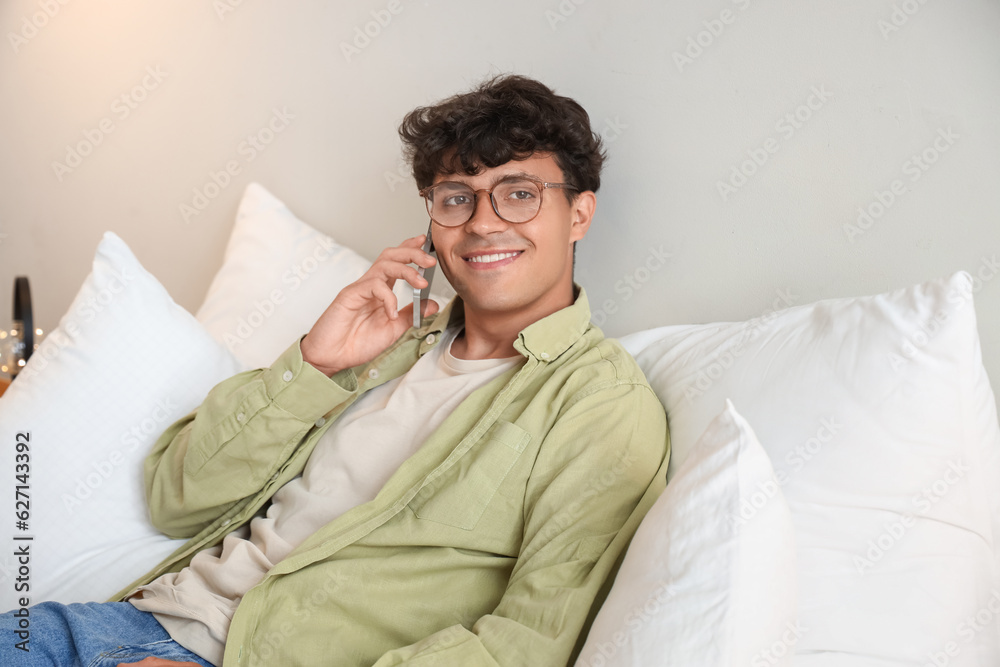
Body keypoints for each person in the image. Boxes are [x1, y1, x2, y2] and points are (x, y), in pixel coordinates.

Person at [1, 74, 669, 667]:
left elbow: (524, 644)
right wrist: (315, 361)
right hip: (121, 623)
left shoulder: (600, 405)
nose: (483, 223)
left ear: (578, 212)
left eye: (518, 193)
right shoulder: (389, 345)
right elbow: (178, 496)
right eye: (456, 198)